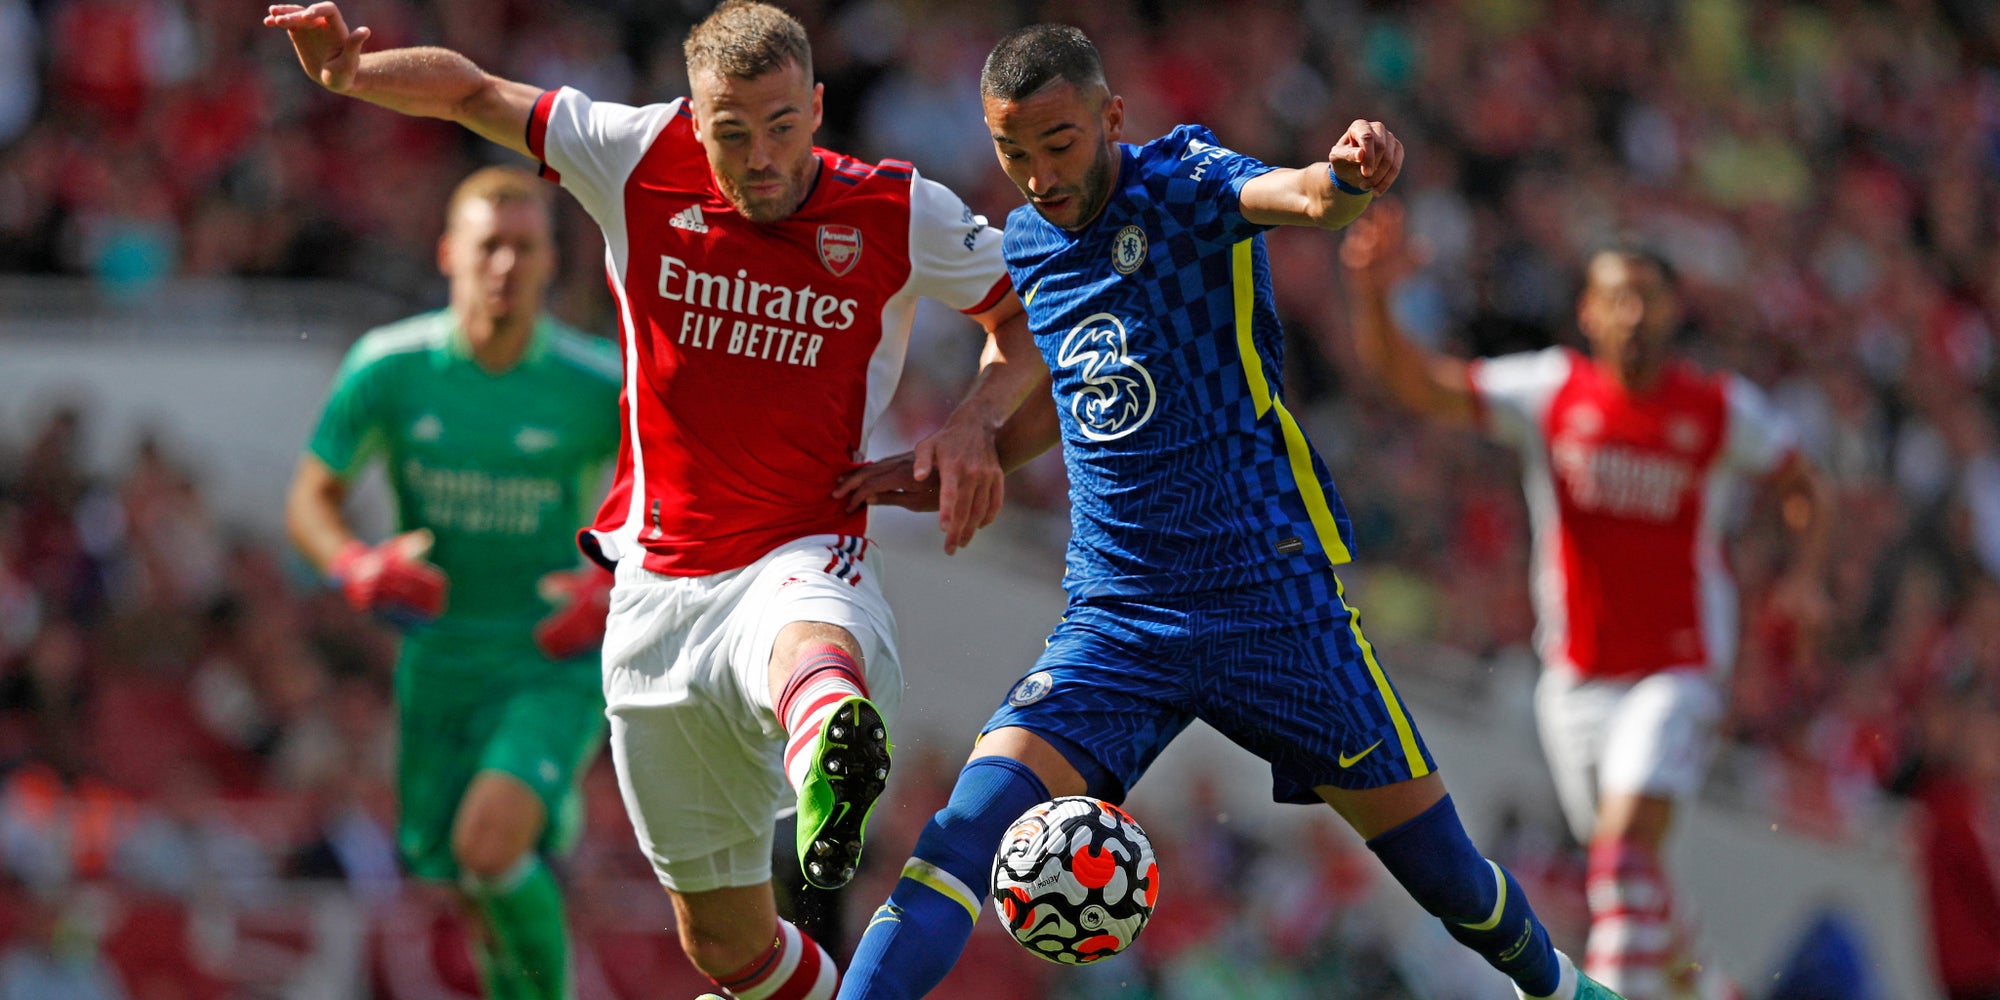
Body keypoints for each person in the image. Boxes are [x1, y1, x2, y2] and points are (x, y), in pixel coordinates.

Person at [265, 3, 1044, 998]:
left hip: (804, 543)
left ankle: (829, 754)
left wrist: (974, 421)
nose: (758, 158)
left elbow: (1030, 307)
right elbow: (472, 93)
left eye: (778, 126)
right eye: (730, 132)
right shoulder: (633, 153)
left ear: (814, 106)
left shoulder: (898, 208)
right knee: (725, 948)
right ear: (693, 114)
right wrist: (352, 76)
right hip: (654, 590)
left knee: (805, 646)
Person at [833, 24, 1625, 1000]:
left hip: (1270, 602)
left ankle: (1561, 988)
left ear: (1110, 117)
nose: (1037, 174)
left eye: (1058, 143)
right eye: (1013, 152)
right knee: (962, 831)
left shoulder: (1179, 179)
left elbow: (1296, 195)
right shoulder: (1032, 244)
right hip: (1117, 620)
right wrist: (965, 444)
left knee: (1446, 878)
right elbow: (1063, 384)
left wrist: (1344, 175)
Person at [1339, 201, 1833, 1000]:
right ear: (1587, 310)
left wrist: (1806, 578)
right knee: (1630, 866)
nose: (1633, 312)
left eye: (1648, 295)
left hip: (1678, 670)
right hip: (1572, 682)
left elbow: (1802, 481)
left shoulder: (1716, 408)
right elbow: (1421, 389)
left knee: (1623, 848)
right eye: (1616, 295)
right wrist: (1370, 294)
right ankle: (1710, 988)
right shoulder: (1551, 391)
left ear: (1675, 309)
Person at [285, 165, 623, 1000]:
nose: (505, 264)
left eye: (525, 247)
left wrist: (614, 583)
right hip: (438, 665)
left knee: (489, 845)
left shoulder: (600, 384)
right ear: (448, 253)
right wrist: (355, 563)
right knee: (468, 883)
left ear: (552, 262)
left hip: (549, 659)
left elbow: (664, 505)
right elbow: (309, 499)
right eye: (489, 246)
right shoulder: (388, 368)